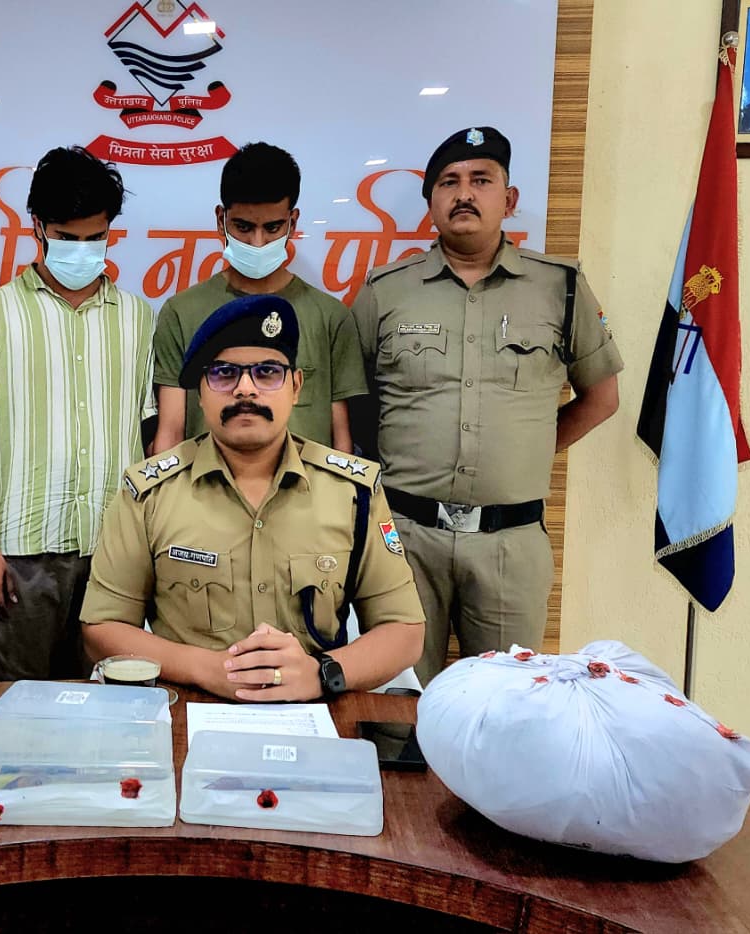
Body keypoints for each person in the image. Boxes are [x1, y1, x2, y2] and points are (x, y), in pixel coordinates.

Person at [350, 126, 622, 686]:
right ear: (431, 204)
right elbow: (354, 400)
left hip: (510, 545)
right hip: (404, 536)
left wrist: (530, 447)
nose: (464, 194)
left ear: (510, 198)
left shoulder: (560, 287)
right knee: (396, 706)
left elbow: (602, 397)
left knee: (506, 707)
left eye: (481, 180)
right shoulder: (386, 290)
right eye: (449, 182)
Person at [82, 294, 424, 702]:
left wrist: (322, 673)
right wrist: (205, 668)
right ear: (200, 393)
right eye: (224, 373)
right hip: (187, 710)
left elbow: (404, 631)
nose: (245, 389)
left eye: (267, 372)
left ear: (295, 387)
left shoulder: (352, 491)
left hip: (315, 709)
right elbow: (102, 628)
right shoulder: (149, 492)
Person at [0, 146, 155, 682]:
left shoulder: (138, 318)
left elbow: (151, 437)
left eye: (95, 237)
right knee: (13, 708)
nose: (81, 251)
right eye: (67, 237)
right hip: (20, 555)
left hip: (115, 554)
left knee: (113, 702)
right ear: (37, 225)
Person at [151, 142, 365, 453]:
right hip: (204, 483)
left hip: (307, 485)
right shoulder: (181, 312)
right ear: (221, 219)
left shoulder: (331, 317)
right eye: (243, 227)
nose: (258, 242)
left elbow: (341, 441)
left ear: (293, 221)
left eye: (273, 228)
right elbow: (170, 432)